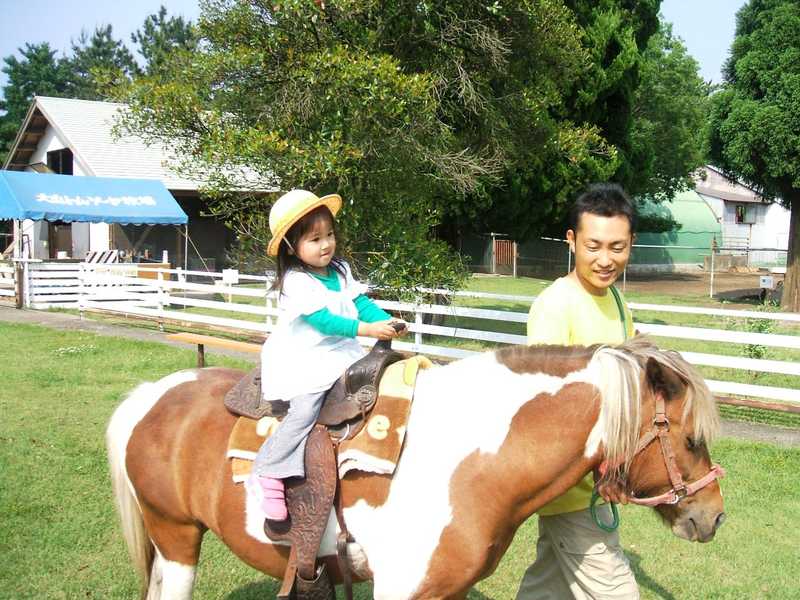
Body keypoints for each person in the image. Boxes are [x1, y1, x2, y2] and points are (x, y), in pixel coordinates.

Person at [252, 189, 406, 521]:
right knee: (305, 410)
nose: (325, 244)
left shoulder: (340, 270)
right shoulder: (296, 281)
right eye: (315, 239)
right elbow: (323, 321)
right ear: (292, 247)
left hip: (341, 351)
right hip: (306, 357)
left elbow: (360, 304)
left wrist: (385, 321)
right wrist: (369, 332)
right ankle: (271, 470)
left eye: (329, 235)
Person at [517, 183, 639, 600]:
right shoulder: (555, 306)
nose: (606, 260)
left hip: (597, 481)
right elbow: (549, 408)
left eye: (617, 247)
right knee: (617, 592)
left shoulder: (620, 303)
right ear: (572, 241)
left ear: (631, 244)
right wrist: (604, 468)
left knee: (547, 587)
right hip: (571, 484)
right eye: (594, 246)